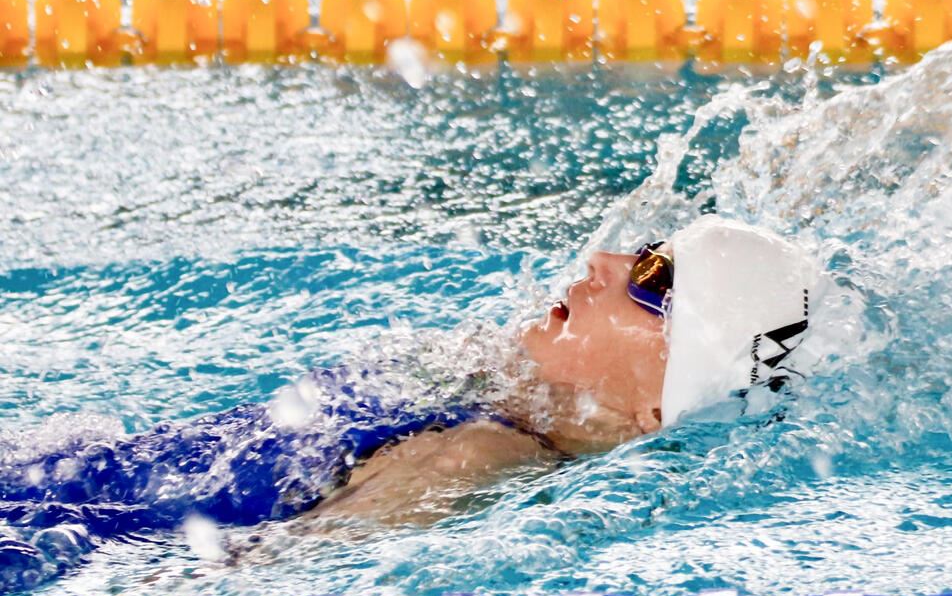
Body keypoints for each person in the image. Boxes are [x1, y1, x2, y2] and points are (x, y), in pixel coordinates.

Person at [312, 215, 818, 524]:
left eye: (652, 278)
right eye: (645, 252)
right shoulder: (489, 386)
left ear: (657, 407)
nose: (602, 261)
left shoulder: (479, 454)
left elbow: (287, 564)